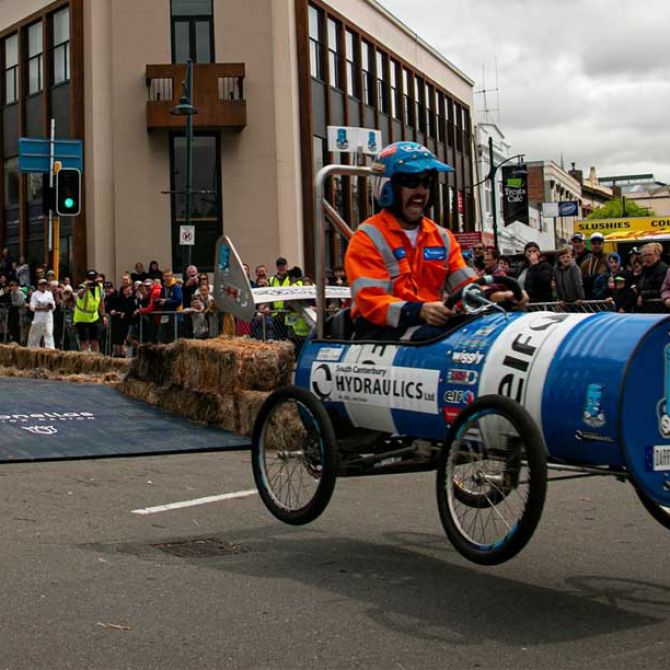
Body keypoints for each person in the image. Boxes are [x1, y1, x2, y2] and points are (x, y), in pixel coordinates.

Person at [344, 142, 524, 341]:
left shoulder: (442, 237)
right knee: (442, 339)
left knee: (485, 331)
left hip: (428, 326)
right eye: (411, 182)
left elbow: (466, 286)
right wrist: (420, 311)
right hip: (378, 331)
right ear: (388, 187)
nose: (421, 192)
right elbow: (370, 301)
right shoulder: (367, 238)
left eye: (426, 183)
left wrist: (496, 297)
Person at [73, 270, 107, 352]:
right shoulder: (82, 286)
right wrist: (86, 288)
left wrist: (103, 316)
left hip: (94, 317)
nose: (91, 281)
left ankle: (96, 361)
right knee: (85, 342)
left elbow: (101, 302)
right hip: (82, 318)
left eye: (93, 278)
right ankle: (85, 361)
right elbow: (80, 293)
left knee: (95, 341)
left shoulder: (99, 287)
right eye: (89, 278)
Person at [637, 242, 668, 313]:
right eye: (644, 255)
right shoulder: (644, 269)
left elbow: (662, 290)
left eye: (650, 254)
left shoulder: (662, 268)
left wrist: (643, 294)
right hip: (646, 308)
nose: (647, 258)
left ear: (658, 255)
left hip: (659, 308)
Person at [27, 277, 56, 349]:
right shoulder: (35, 294)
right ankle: (32, 350)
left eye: (45, 284)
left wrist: (50, 306)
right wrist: (43, 308)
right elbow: (32, 307)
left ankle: (50, 350)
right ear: (38, 286)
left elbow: (54, 307)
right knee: (35, 337)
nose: (43, 286)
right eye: (41, 284)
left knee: (49, 334)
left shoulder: (49, 294)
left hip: (48, 318)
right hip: (38, 319)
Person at [580, 232, 608, 299]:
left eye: (599, 243)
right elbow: (580, 279)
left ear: (603, 244)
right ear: (590, 245)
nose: (596, 246)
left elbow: (601, 274)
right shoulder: (586, 262)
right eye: (594, 243)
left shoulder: (607, 258)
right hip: (589, 297)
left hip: (604, 296)